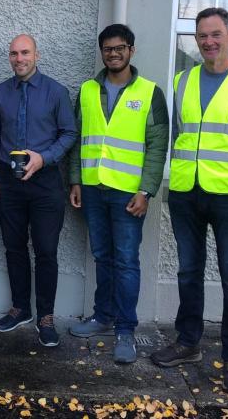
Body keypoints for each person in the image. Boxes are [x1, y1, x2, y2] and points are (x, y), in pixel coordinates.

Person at [150, 7, 228, 397]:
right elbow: (178, 135)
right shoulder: (183, 80)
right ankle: (187, 343)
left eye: (216, 34)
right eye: (202, 35)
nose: (208, 42)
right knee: (189, 272)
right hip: (187, 192)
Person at [67, 24, 169, 363]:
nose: (114, 53)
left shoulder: (149, 92)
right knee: (102, 256)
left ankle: (126, 329)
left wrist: (147, 190)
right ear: (102, 52)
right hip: (94, 189)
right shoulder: (86, 91)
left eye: (120, 47)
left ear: (131, 50)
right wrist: (75, 181)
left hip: (128, 194)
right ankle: (102, 316)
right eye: (108, 48)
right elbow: (77, 139)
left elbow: (157, 147)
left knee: (126, 261)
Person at [0, 34, 77, 347]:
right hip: (8, 183)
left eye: (25, 52)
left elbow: (69, 134)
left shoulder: (56, 92)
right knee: (14, 247)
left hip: (46, 182)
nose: (19, 58)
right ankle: (20, 308)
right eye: (13, 54)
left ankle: (46, 317)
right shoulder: (0, 92)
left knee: (46, 251)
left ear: (37, 54)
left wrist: (44, 157)